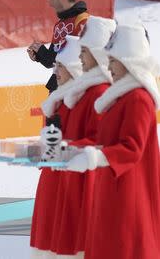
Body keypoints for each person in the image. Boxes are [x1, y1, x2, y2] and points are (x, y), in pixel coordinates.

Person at [66, 24, 160, 259]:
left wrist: (94, 157)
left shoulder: (138, 99)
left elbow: (132, 148)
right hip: (111, 187)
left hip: (129, 191)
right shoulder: (120, 98)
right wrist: (73, 150)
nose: (109, 66)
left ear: (129, 61)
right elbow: (103, 139)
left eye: (114, 60)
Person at [49, 17, 116, 258]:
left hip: (86, 182)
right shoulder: (71, 98)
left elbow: (99, 141)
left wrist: (62, 148)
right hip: (69, 178)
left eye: (84, 53)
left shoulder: (98, 93)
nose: (55, 71)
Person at [31, 35, 82, 257]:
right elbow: (51, 149)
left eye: (61, 66)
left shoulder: (82, 99)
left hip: (72, 181)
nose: (56, 71)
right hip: (53, 177)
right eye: (56, 65)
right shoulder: (56, 101)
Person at [27, 0, 89, 93]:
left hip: (75, 87)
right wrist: (39, 54)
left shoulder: (83, 20)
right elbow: (51, 62)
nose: (49, 4)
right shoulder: (59, 25)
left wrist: (43, 52)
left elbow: (77, 58)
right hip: (57, 86)